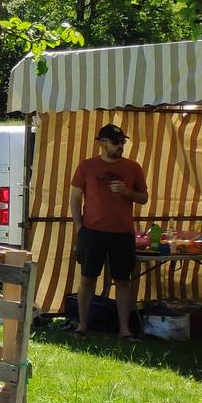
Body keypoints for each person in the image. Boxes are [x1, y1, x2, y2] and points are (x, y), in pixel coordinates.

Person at [71, 123, 149, 339]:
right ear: (102, 143)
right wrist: (80, 228)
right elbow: (75, 199)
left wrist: (126, 192)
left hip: (123, 233)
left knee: (123, 281)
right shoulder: (86, 166)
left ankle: (125, 330)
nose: (121, 146)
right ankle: (82, 326)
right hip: (92, 232)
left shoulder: (133, 167)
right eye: (116, 142)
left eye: (123, 142)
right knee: (88, 279)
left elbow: (143, 198)